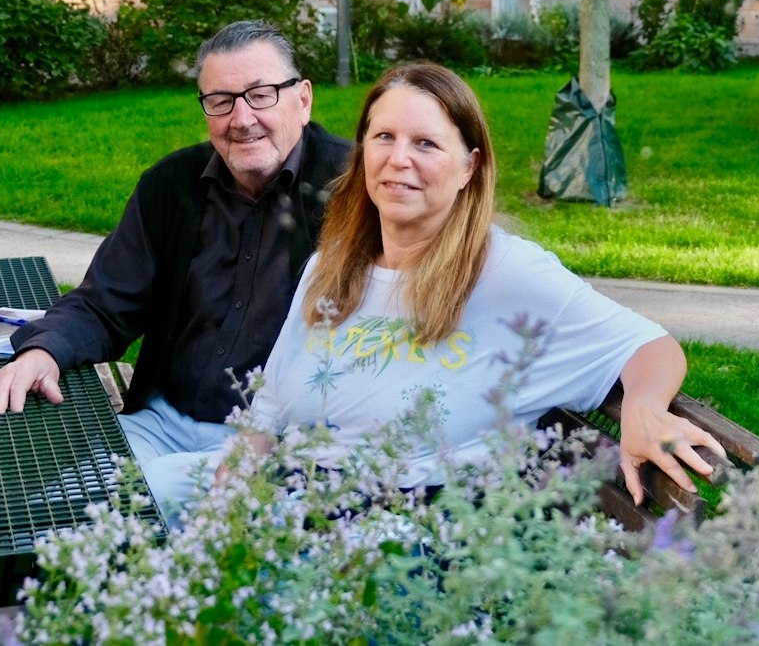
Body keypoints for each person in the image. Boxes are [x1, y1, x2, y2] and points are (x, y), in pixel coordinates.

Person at [244, 62, 722, 505]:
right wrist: (228, 502)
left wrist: (643, 405)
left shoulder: (505, 273)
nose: (398, 159)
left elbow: (650, 346)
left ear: (468, 168)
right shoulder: (331, 266)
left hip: (417, 533)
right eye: (384, 136)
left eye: (426, 144)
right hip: (298, 507)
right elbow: (268, 406)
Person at [0, 19, 353, 514]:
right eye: (221, 100)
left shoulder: (355, 192)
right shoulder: (171, 186)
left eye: (260, 95)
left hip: (276, 445)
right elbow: (106, 300)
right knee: (41, 488)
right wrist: (43, 351)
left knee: (110, 510)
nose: (241, 118)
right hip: (159, 423)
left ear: (302, 100)